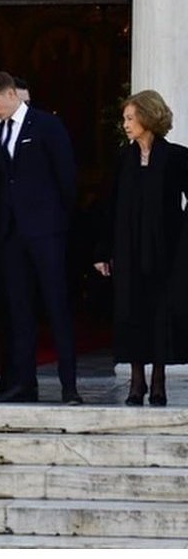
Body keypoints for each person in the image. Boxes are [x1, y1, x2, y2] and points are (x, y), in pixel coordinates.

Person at [0, 70, 82, 405]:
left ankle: (69, 386)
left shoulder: (47, 125)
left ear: (10, 94)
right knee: (20, 310)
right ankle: (24, 384)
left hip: (46, 231)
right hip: (12, 234)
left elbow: (66, 178)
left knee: (57, 306)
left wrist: (57, 222)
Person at [94, 90, 188, 406]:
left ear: (148, 117)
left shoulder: (176, 157)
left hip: (165, 251)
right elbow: (108, 206)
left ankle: (159, 381)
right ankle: (137, 382)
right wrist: (102, 251)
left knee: (161, 314)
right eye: (125, 118)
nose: (125, 124)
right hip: (128, 249)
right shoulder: (123, 159)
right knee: (130, 312)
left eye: (130, 118)